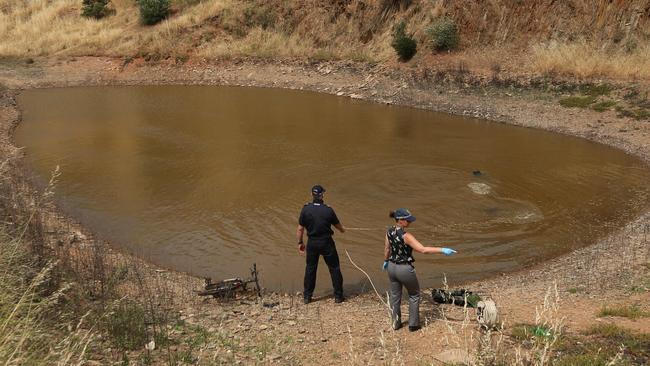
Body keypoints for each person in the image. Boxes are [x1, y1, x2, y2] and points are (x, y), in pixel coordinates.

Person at [382, 208, 457, 331]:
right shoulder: (406, 236)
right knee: (414, 294)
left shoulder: (389, 232)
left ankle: (395, 323)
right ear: (400, 220)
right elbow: (423, 250)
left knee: (395, 296)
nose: (410, 223)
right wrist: (442, 250)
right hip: (404, 269)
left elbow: (387, 249)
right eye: (407, 220)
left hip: (391, 267)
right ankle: (413, 325)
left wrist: (385, 261)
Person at [296, 185, 346, 304]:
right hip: (326, 242)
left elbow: (300, 229)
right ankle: (338, 296)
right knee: (334, 268)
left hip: (312, 243)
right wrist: (343, 230)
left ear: (312, 195)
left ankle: (307, 297)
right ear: (322, 195)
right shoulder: (328, 210)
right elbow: (338, 226)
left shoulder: (306, 209)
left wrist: (300, 243)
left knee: (310, 269)